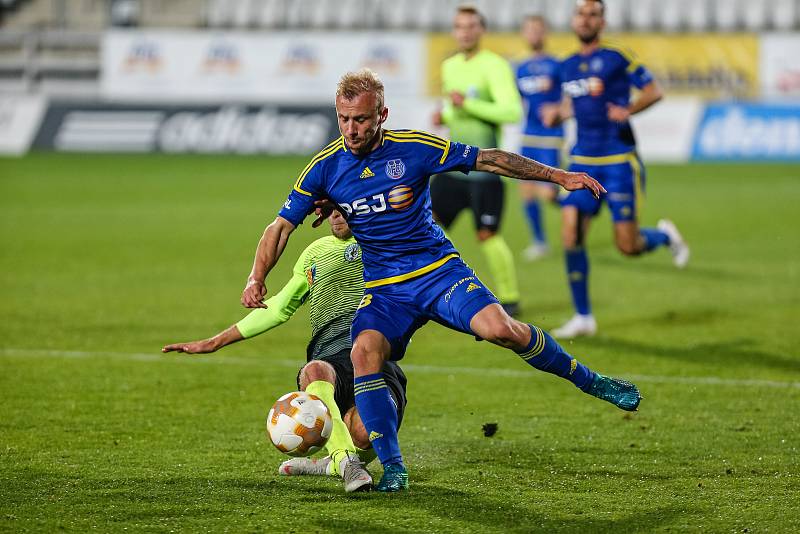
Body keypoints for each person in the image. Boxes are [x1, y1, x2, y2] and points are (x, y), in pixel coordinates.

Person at [241, 68, 642, 492]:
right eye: (343, 119)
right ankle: (394, 467)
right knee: (364, 353)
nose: (351, 130)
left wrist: (558, 176)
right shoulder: (325, 166)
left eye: (360, 119)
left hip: (438, 272)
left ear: (382, 115)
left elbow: (488, 158)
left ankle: (592, 380)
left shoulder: (414, 147)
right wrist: (256, 276)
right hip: (385, 291)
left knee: (501, 330)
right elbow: (280, 226)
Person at [163, 211, 408, 493]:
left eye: (344, 208)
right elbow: (280, 307)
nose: (337, 216)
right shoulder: (316, 252)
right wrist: (215, 342)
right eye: (332, 210)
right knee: (314, 370)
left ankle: (332, 463)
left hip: (376, 360)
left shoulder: (383, 243)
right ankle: (347, 464)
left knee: (364, 435)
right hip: (332, 360)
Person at [542, 0, 690, 339]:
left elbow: (654, 91)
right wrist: (559, 113)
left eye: (593, 14)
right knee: (570, 233)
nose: (586, 19)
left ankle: (665, 236)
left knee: (628, 246)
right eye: (581, 13)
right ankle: (583, 316)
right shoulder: (566, 65)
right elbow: (573, 102)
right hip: (582, 161)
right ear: (574, 19)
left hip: (619, 161)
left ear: (602, 21)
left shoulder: (617, 57)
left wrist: (629, 109)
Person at [431, 5, 523, 316]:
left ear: (481, 30)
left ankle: (510, 298)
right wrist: (444, 114)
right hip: (451, 166)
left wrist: (468, 104)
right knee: (426, 227)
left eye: (471, 26)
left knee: (487, 236)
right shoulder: (450, 66)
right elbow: (452, 107)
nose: (465, 32)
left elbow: (511, 112)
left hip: (485, 169)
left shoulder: (494, 66)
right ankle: (422, 291)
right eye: (459, 26)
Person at [515, 15, 564, 261]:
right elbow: (514, 100)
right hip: (529, 135)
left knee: (549, 195)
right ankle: (539, 242)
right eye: (529, 30)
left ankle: (583, 205)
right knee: (526, 191)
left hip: (550, 137)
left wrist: (558, 110)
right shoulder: (520, 68)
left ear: (544, 34)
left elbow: (570, 96)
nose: (533, 34)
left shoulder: (557, 65)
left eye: (537, 30)